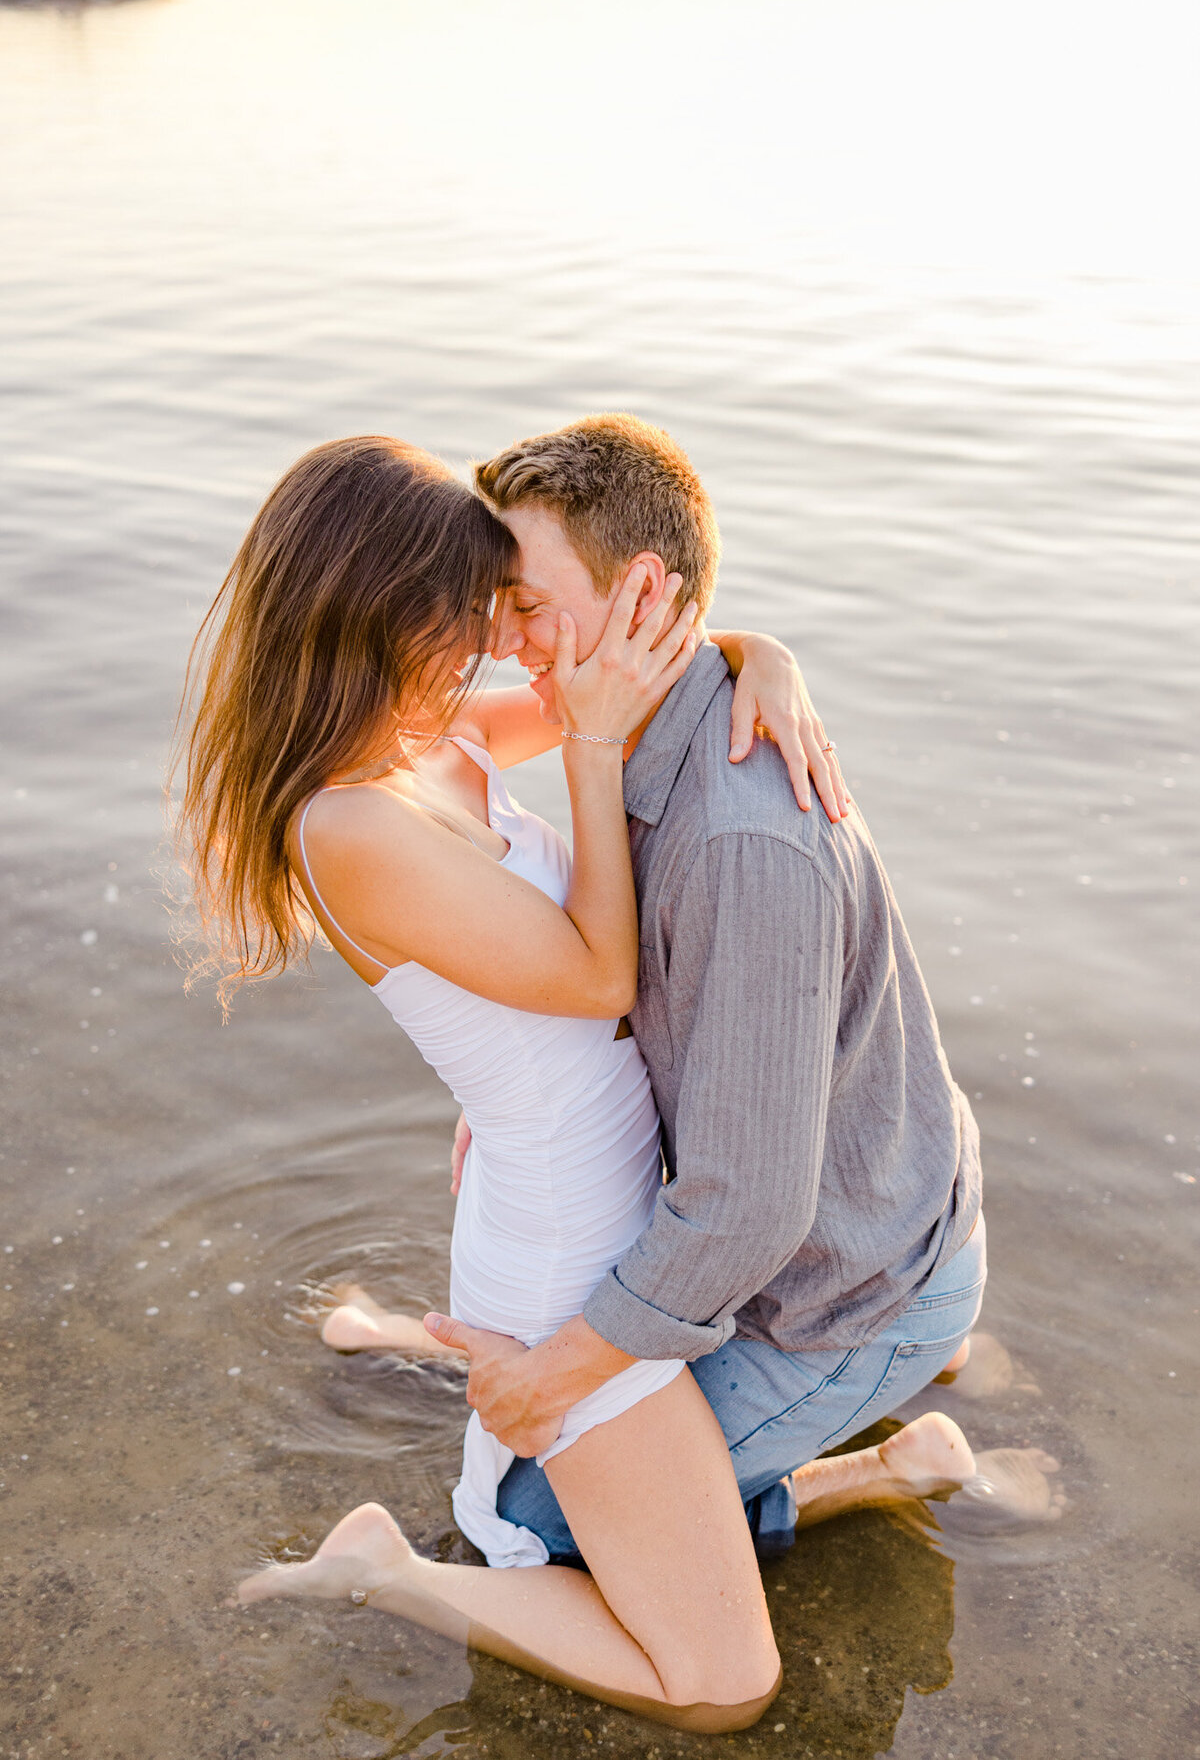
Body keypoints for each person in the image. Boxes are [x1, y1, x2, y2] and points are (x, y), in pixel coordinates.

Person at [176, 433, 899, 1733]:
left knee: (634, 1507)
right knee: (726, 1684)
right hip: (570, 1242)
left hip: (601, 1188)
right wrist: (593, 757)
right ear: (366, 615)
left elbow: (618, 675)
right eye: (457, 621)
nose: (488, 650)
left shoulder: (426, 740)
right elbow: (592, 976)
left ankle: (859, 1466)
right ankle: (382, 1572)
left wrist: (757, 655)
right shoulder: (344, 825)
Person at [401, 414, 1064, 1562]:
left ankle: (874, 1455)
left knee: (531, 1525)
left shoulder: (739, 846)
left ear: (647, 598)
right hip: (870, 1196)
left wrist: (552, 1378)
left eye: (526, 603)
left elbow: (746, 1210)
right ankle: (923, 1361)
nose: (505, 642)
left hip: (837, 1297)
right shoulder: (653, 718)